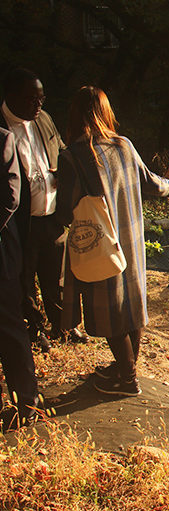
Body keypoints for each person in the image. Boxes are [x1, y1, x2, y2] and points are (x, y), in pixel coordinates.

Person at [56, 86, 169, 396]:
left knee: (109, 310)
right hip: (131, 240)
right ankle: (123, 368)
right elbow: (154, 185)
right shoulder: (123, 145)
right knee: (130, 307)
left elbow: (63, 210)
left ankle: (127, 378)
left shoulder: (72, 156)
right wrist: (168, 180)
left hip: (101, 243)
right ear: (105, 112)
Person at [1, 68, 87, 351]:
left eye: (41, 99)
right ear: (11, 97)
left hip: (51, 214)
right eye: (31, 100)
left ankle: (63, 324)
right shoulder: (2, 127)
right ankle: (33, 329)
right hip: (19, 222)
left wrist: (60, 173)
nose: (38, 105)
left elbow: (62, 151)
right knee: (24, 279)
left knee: (56, 276)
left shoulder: (44, 118)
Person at [0, 126, 40, 431]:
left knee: (9, 322)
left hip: (1, 247)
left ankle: (26, 401)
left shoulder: (4, 139)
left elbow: (10, 197)